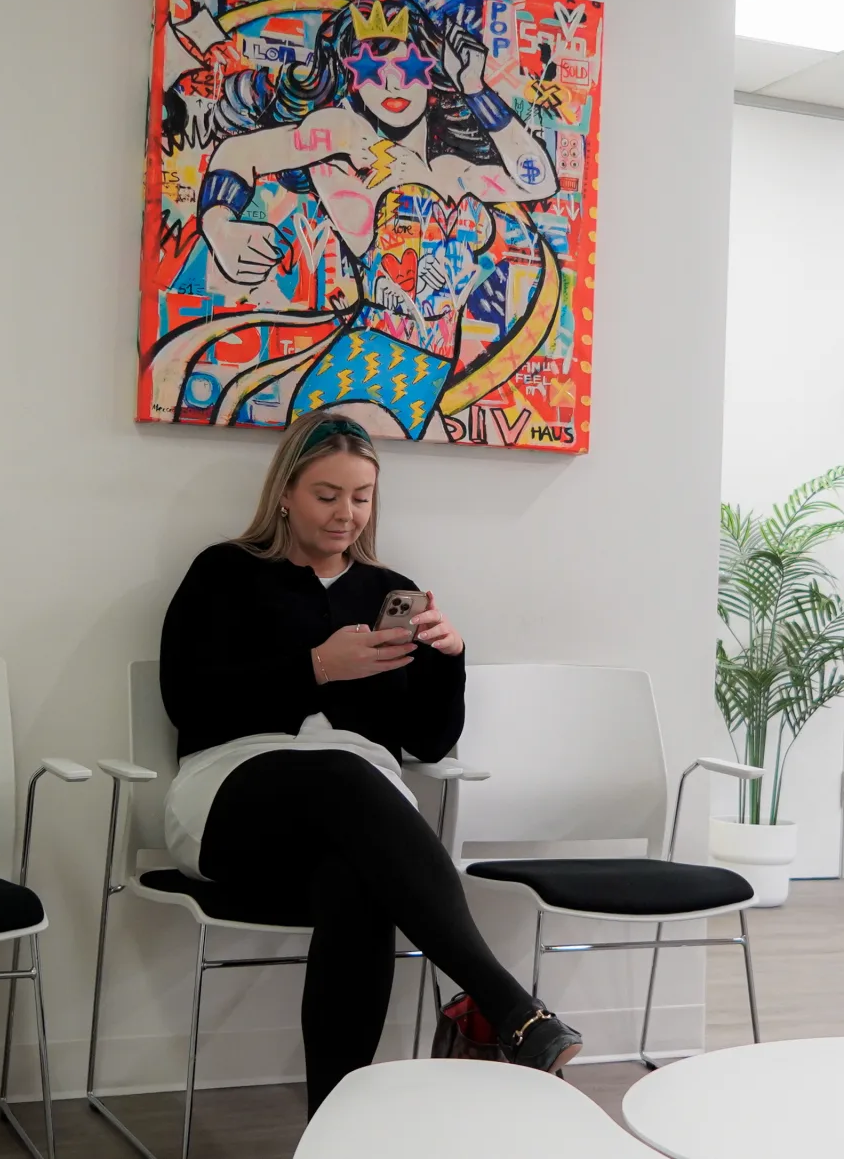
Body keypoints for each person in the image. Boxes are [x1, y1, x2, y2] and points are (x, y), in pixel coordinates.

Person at [158, 407, 581, 1114]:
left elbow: (429, 742)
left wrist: (450, 659)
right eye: (327, 495)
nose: (346, 514)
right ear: (285, 492)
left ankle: (336, 1126)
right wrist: (317, 668)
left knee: (358, 881)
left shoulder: (388, 590)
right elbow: (187, 701)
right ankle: (506, 1001)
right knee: (343, 770)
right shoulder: (224, 573)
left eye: (362, 496)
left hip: (360, 823)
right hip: (232, 797)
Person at [146, 0, 562, 440]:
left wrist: (477, 90)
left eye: (406, 69)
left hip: (425, 381)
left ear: (432, 72)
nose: (391, 85)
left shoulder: (450, 171)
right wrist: (219, 226)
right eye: (370, 71)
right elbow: (239, 152)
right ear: (351, 77)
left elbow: (538, 180)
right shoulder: (346, 136)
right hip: (367, 368)